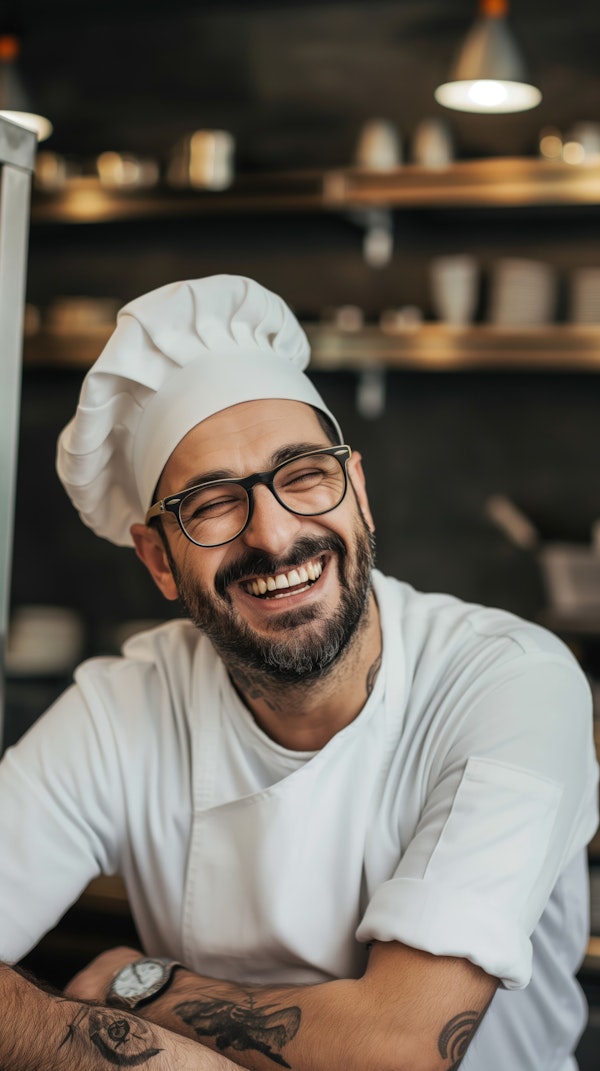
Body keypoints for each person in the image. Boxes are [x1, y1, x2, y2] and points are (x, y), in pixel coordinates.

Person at [0, 275, 597, 1071]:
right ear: (158, 560)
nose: (276, 534)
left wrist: (137, 986)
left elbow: (398, 1049)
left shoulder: (509, 681)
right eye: (212, 501)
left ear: (360, 492)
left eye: (305, 473)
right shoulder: (127, 706)